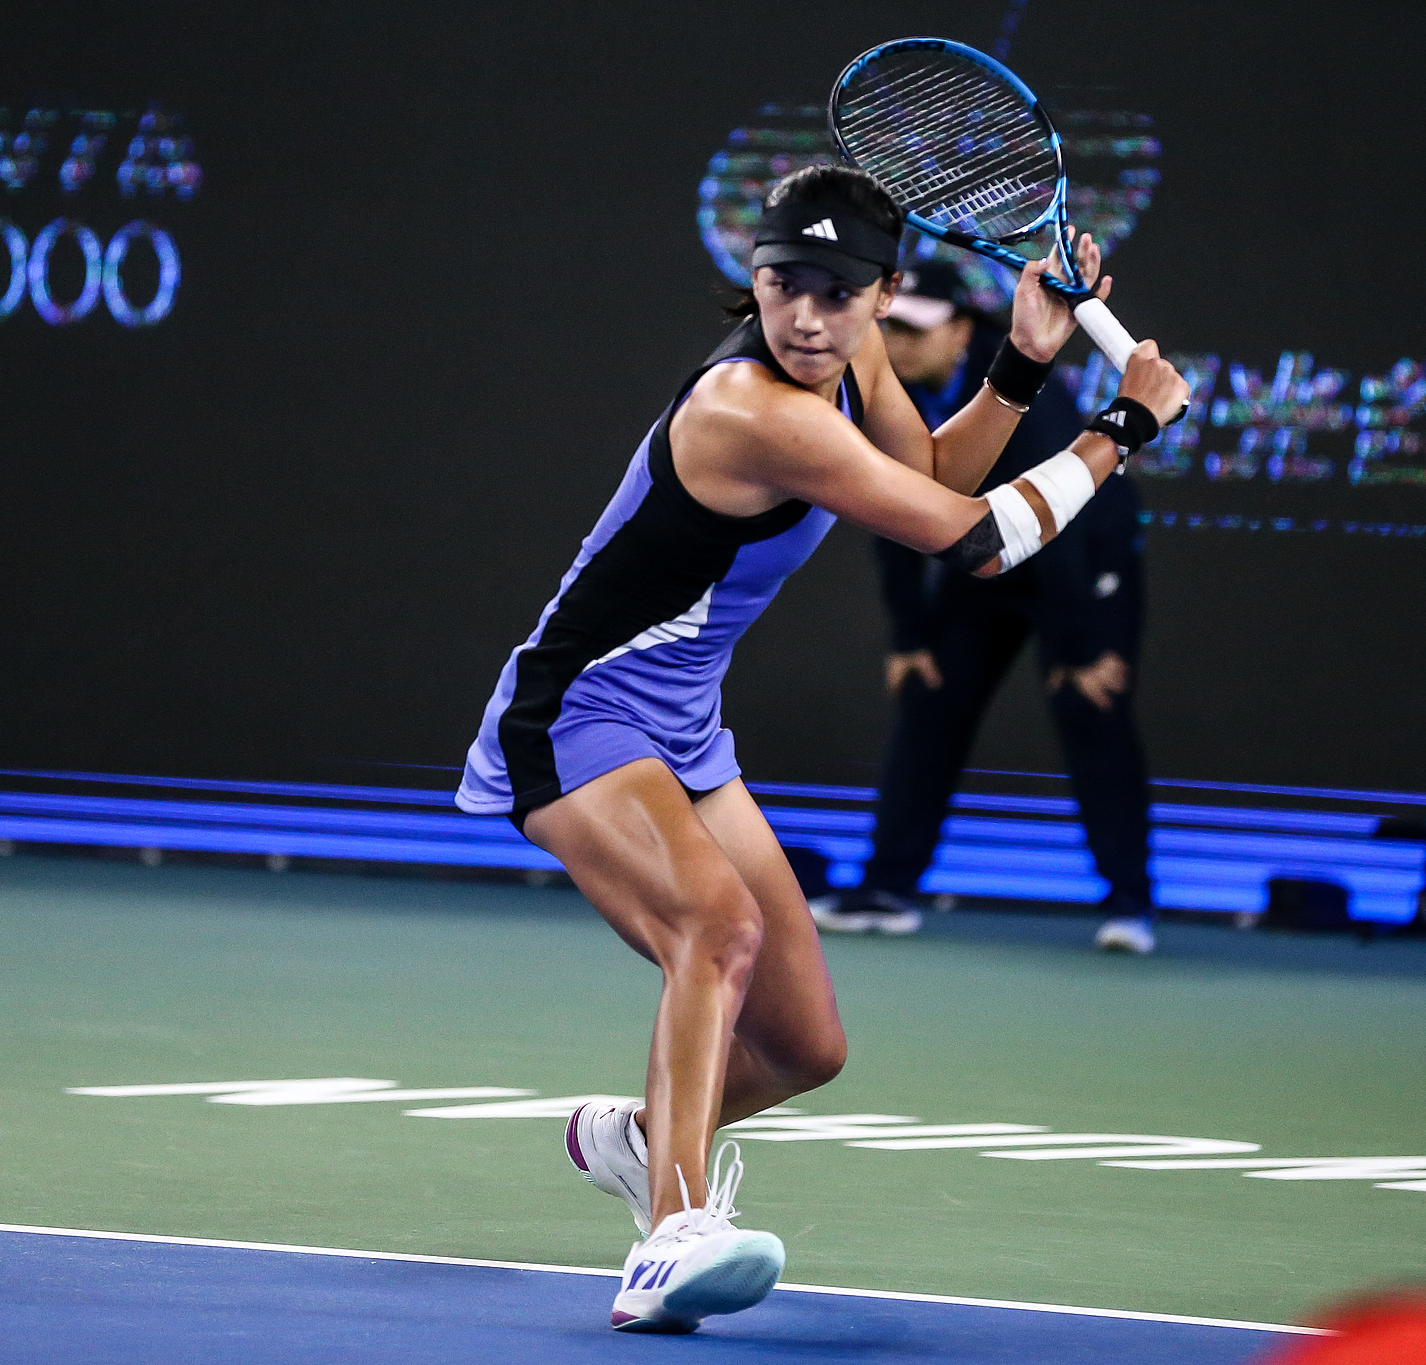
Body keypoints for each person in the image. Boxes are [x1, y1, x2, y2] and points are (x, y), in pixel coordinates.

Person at [454, 164, 1187, 1333]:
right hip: (581, 710)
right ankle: (669, 1234)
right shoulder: (752, 409)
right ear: (751, 282)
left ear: (879, 297)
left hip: (685, 724)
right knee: (716, 926)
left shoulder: (849, 363)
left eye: (836, 294)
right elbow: (973, 540)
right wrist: (1120, 428)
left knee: (803, 1045)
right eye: (782, 284)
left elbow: (936, 471)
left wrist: (1024, 360)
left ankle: (637, 1144)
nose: (806, 315)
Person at [809, 263, 1159, 954]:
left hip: (1084, 561)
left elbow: (1063, 520)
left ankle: (1130, 905)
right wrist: (912, 634)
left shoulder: (1027, 395)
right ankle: (887, 887)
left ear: (960, 330)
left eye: (916, 328)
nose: (901, 343)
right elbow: (893, 515)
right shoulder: (895, 393)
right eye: (893, 328)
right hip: (985, 556)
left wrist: (1080, 648)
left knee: (1091, 708)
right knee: (929, 698)